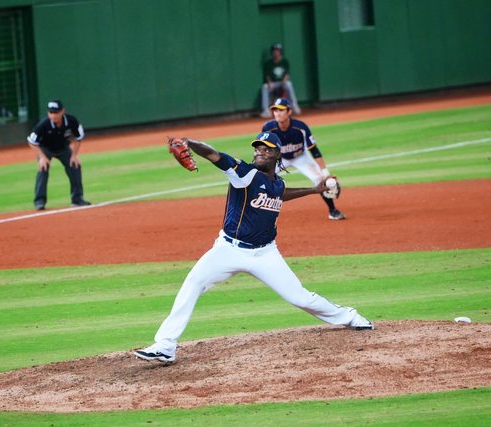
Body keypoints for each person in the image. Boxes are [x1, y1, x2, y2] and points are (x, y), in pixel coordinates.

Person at [133, 132, 373, 364]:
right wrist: (189, 142)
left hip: (266, 254)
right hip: (227, 251)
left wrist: (314, 190)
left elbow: (280, 194)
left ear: (277, 154)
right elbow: (215, 155)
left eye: (266, 149)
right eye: (257, 148)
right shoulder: (244, 174)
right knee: (193, 284)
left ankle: (350, 317)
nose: (260, 152)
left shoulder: (277, 183)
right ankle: (165, 345)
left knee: (300, 297)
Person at [262, 97, 346, 220]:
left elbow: (314, 150)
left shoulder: (300, 127)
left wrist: (326, 173)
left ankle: (332, 210)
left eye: (281, 110)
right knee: (261, 179)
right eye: (275, 110)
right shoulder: (268, 128)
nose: (277, 113)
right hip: (280, 159)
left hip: (300, 157)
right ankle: (258, 212)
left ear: (289, 111)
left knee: (319, 179)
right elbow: (264, 151)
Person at [27, 99, 91, 210]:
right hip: (45, 149)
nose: (53, 115)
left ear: (62, 111)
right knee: (43, 168)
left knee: (75, 166)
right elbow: (31, 141)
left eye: (56, 112)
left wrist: (74, 155)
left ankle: (77, 199)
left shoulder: (71, 121)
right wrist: (42, 157)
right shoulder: (43, 124)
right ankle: (39, 201)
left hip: (63, 148)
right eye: (51, 112)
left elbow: (79, 137)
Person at [260, 43, 301, 118]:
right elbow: (267, 75)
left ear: (280, 52)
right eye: (274, 51)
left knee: (288, 84)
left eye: (277, 51)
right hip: (273, 83)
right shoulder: (268, 63)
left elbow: (287, 74)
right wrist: (269, 83)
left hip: (282, 82)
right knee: (265, 86)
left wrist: (284, 81)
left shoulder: (285, 62)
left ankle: (294, 105)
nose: (275, 52)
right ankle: (266, 110)